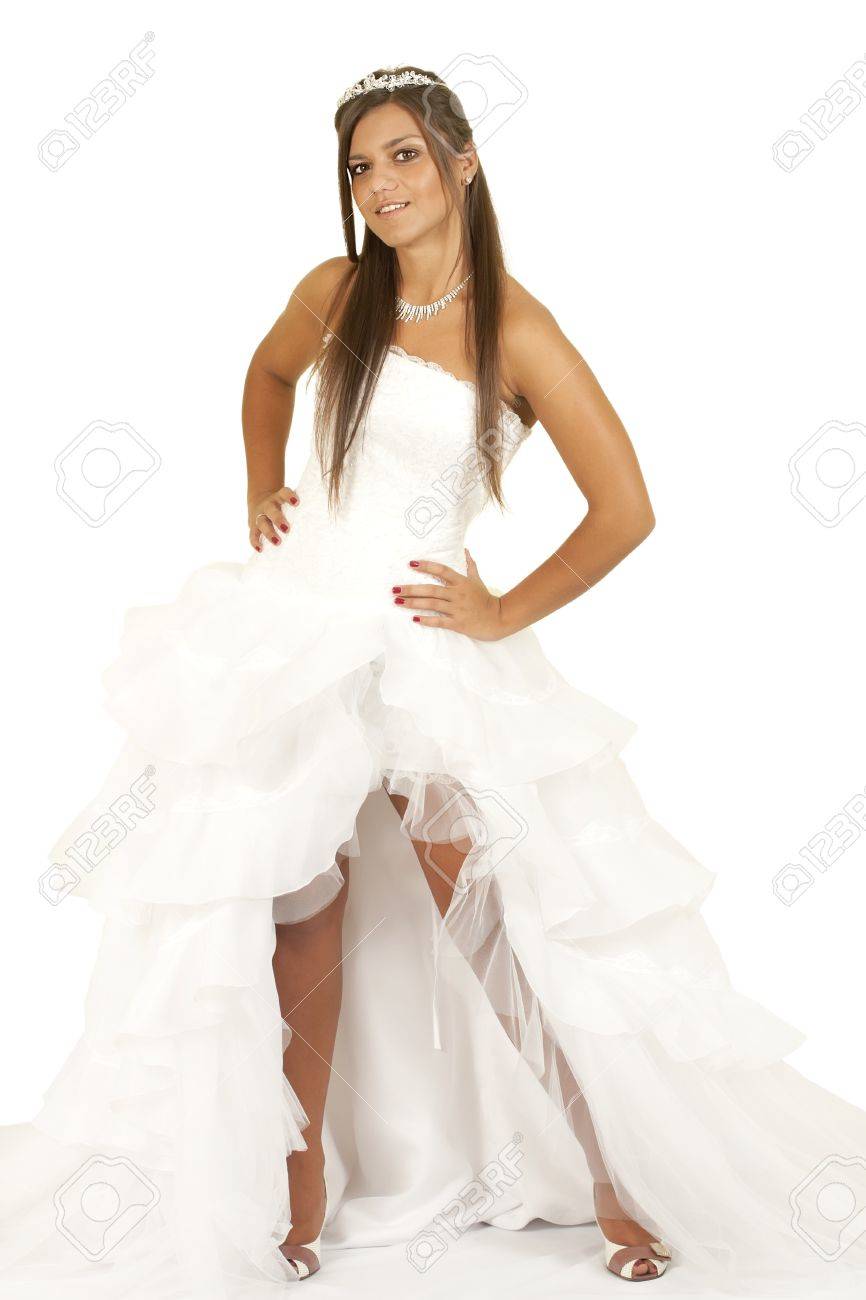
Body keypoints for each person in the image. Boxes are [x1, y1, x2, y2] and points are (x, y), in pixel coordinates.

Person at [1, 63, 864, 1297]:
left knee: (497, 917)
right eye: (360, 166)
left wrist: (499, 608)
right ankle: (296, 1186)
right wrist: (261, 485)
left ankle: (618, 1175)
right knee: (298, 916)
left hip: (417, 643)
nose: (380, 184)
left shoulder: (516, 329)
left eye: (404, 155)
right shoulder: (334, 290)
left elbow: (625, 508)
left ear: (462, 161)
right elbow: (265, 376)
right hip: (294, 627)